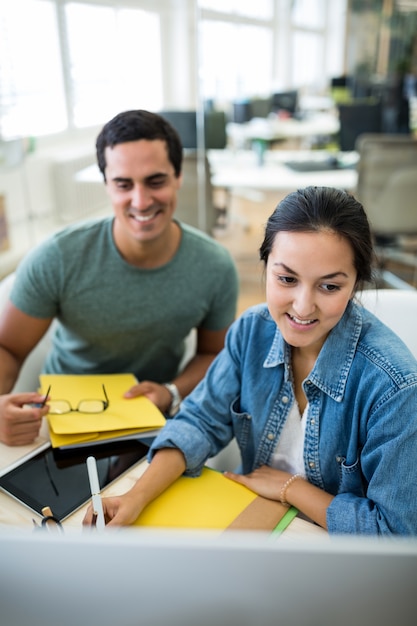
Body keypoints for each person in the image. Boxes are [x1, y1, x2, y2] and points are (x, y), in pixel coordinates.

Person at [84, 186, 417, 535]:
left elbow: (396, 533)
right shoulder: (251, 332)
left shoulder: (395, 388)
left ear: (356, 283)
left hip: (339, 553)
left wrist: (292, 489)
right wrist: (135, 497)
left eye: (329, 287)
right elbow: (199, 421)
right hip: (256, 525)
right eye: (287, 279)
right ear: (266, 265)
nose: (302, 307)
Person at [0, 109, 238, 446]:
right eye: (123, 184)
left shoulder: (214, 265)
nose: (141, 201)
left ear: (178, 176)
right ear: (107, 185)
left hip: (151, 425)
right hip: (62, 427)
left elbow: (214, 355)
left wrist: (172, 391)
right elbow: (7, 347)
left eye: (155, 181)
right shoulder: (58, 257)